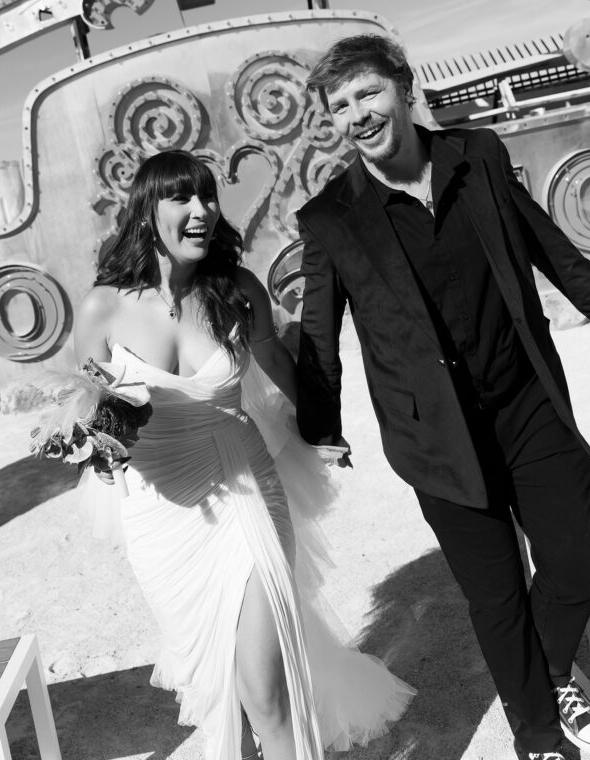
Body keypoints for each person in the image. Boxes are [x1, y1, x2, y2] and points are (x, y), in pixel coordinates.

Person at [295, 31, 590, 760]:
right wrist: (319, 422)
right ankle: (537, 734)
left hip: (526, 403)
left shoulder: (475, 158)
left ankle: (551, 668)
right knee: (494, 596)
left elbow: (548, 246)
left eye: (366, 93)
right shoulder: (331, 219)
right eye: (338, 106)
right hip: (435, 436)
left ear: (402, 87)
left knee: (580, 551)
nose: (355, 114)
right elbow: (317, 331)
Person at [73, 149, 413, 760]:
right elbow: (90, 408)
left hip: (248, 495)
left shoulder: (235, 290)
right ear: (147, 213)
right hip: (162, 518)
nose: (202, 209)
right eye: (183, 197)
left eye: (207, 196)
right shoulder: (103, 306)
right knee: (218, 688)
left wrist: (322, 424)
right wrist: (94, 440)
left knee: (265, 694)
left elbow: (281, 366)